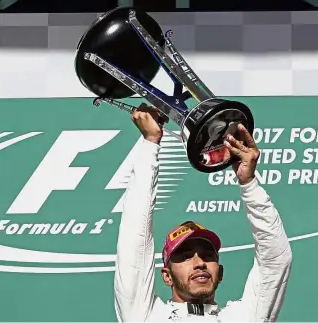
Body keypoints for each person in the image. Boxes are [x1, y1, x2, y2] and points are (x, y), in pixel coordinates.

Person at [114, 104, 293, 322]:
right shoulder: (146, 317)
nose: (199, 263)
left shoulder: (241, 318)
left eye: (208, 256)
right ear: (167, 276)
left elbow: (275, 261)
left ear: (221, 274)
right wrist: (150, 144)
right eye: (185, 256)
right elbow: (134, 240)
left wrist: (249, 184)